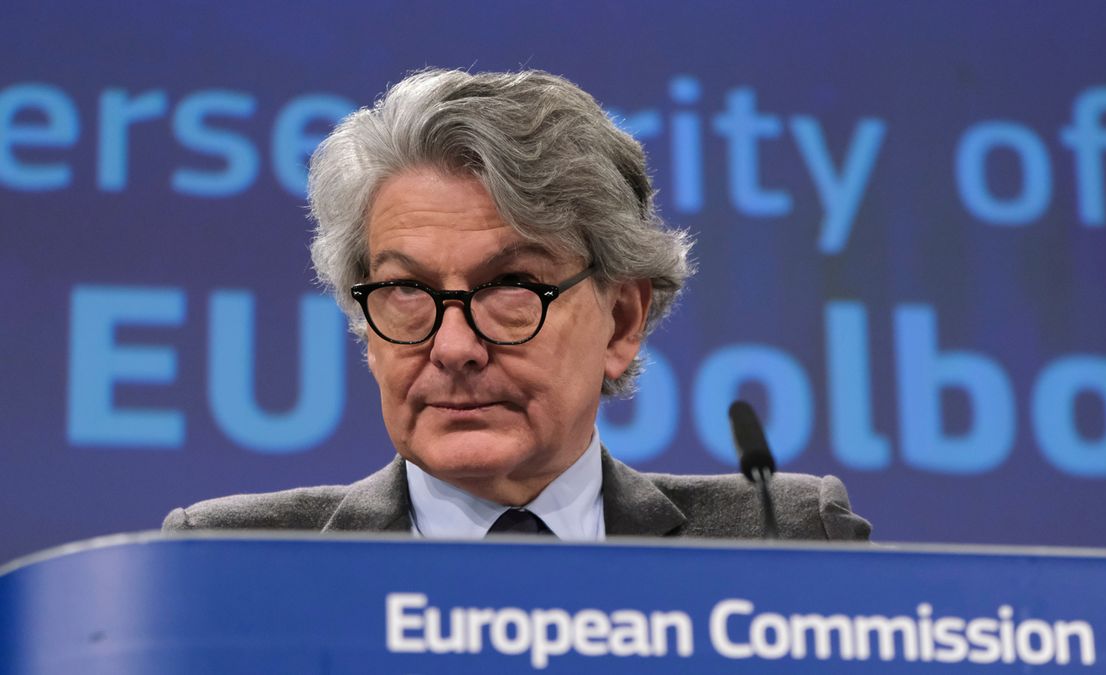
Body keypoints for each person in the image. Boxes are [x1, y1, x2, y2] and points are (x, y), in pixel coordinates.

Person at [162, 69, 870, 542]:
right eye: (407, 291)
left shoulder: (783, 538)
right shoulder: (232, 558)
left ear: (621, 321)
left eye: (509, 289)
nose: (454, 346)